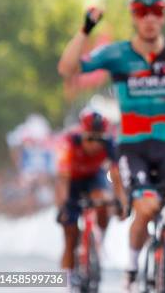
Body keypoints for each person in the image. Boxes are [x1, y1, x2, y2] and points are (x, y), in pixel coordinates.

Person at [57, 0, 165, 293]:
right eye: (141, 12)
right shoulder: (117, 53)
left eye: (156, 11)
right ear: (134, 16)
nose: (149, 18)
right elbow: (67, 68)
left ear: (164, 15)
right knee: (146, 209)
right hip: (133, 146)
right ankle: (131, 272)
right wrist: (85, 29)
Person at [55, 109, 124, 290]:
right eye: (90, 139)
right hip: (72, 181)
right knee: (70, 234)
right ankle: (68, 279)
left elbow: (116, 176)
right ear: (82, 133)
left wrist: (120, 201)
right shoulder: (69, 143)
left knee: (103, 201)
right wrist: (63, 206)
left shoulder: (109, 144)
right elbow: (62, 180)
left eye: (99, 139)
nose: (95, 145)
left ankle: (97, 238)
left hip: (94, 178)